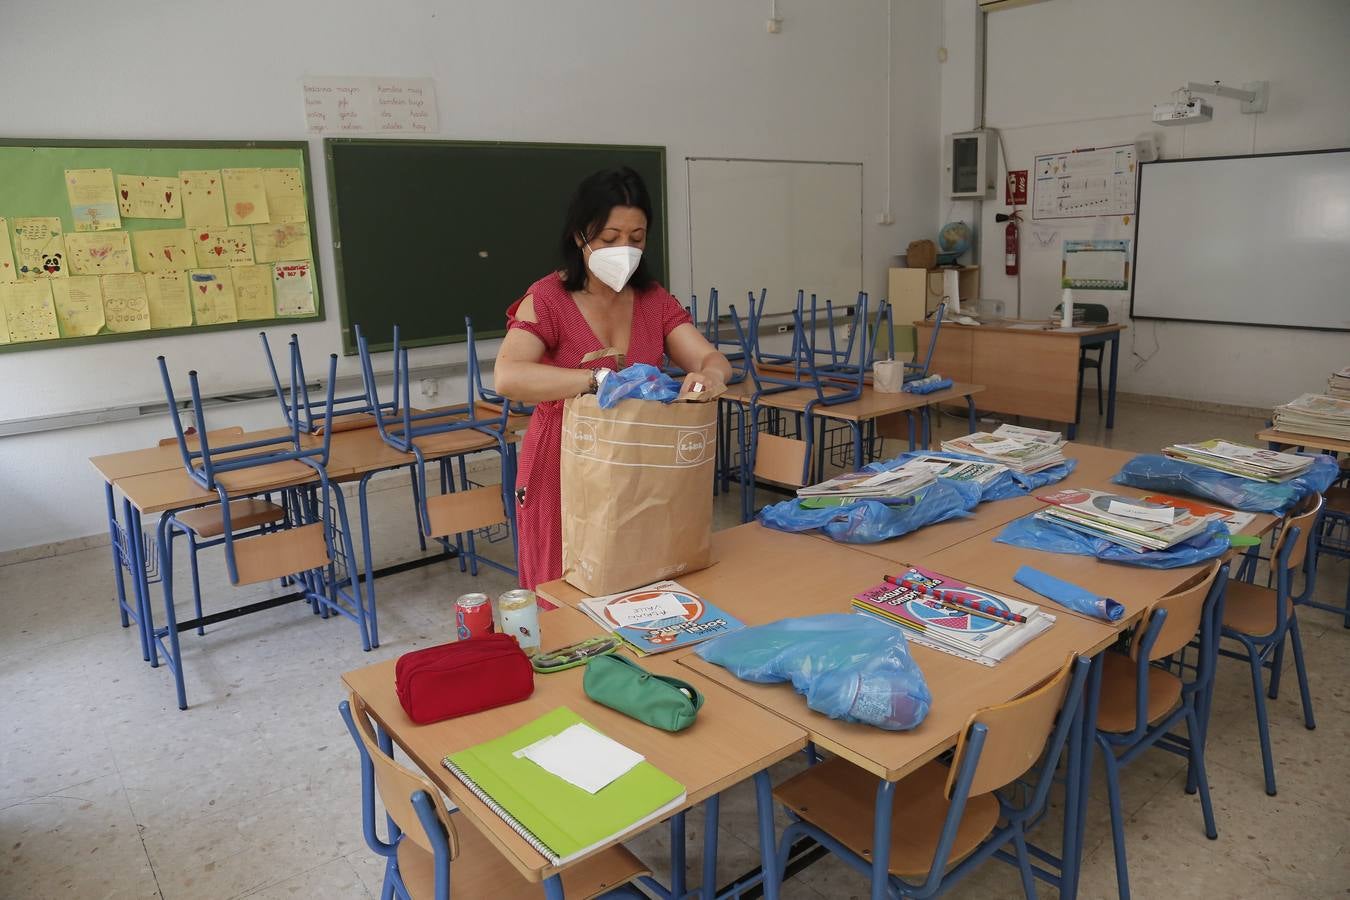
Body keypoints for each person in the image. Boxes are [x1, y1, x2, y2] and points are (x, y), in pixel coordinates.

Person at [494, 167, 732, 590]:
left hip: (638, 461)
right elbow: (508, 376)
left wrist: (709, 376)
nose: (624, 248)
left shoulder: (653, 300)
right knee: (562, 587)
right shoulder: (549, 299)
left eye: (636, 238)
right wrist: (596, 381)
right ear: (579, 235)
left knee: (639, 579)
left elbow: (709, 357)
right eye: (609, 238)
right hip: (563, 463)